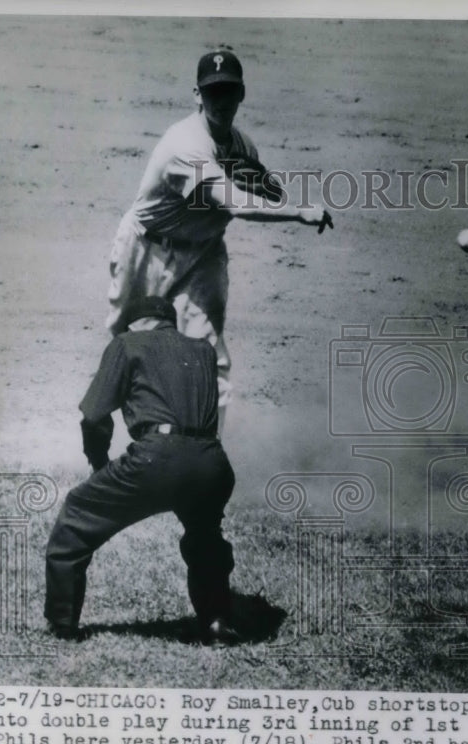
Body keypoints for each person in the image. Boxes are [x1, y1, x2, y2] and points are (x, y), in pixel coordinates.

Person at [105, 49, 333, 425]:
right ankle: (120, 443)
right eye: (213, 93)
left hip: (204, 257)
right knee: (128, 349)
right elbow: (236, 203)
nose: (221, 101)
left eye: (229, 92)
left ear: (241, 94)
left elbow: (262, 189)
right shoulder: (184, 145)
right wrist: (297, 210)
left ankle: (206, 455)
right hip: (145, 251)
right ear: (197, 95)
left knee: (209, 356)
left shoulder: (243, 148)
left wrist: (269, 188)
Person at [44, 296, 241, 644]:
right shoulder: (203, 351)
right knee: (205, 536)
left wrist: (99, 462)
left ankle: (62, 626)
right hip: (212, 462)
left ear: (135, 323)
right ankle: (216, 622)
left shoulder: (126, 344)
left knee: (76, 515)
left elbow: (93, 416)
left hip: (158, 458)